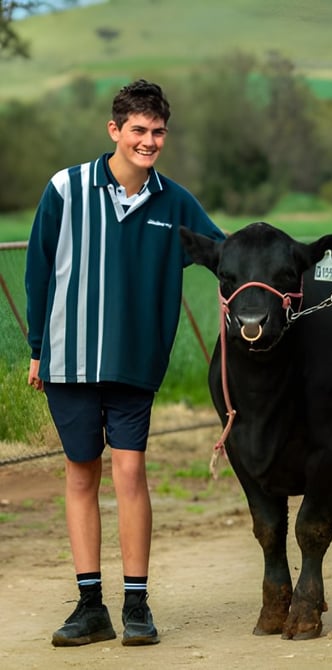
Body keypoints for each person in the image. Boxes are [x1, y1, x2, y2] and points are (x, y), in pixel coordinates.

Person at [25, 79, 226, 647]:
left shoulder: (176, 201)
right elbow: (38, 273)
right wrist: (38, 348)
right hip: (68, 360)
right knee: (81, 472)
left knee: (130, 472)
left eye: (158, 132)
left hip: (136, 362)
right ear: (114, 130)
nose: (148, 141)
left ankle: (136, 604)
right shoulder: (65, 189)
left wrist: (306, 275)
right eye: (138, 130)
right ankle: (91, 606)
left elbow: (224, 254)